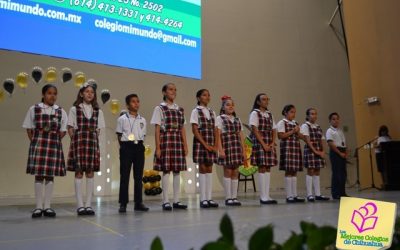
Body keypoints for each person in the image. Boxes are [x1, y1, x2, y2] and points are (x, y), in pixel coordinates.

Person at [23, 84, 68, 218]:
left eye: (55, 93)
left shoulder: (60, 111)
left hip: (53, 146)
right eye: (49, 93)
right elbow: (29, 129)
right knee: (38, 175)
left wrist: (53, 140)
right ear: (43, 94)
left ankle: (47, 206)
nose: (52, 96)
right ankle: (38, 207)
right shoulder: (34, 109)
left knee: (50, 175)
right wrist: (36, 142)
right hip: (39, 146)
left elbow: (63, 130)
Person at [67, 82, 105, 216]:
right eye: (87, 91)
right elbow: (70, 127)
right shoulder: (75, 109)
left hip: (91, 143)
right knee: (78, 173)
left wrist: (93, 138)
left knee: (90, 172)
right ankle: (80, 205)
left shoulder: (98, 111)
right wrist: (75, 141)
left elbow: (98, 129)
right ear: (81, 93)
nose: (90, 94)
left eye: (92, 92)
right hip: (79, 143)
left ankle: (88, 205)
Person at [151, 83, 188, 211]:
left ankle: (176, 200)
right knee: (166, 170)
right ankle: (165, 200)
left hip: (177, 140)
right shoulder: (159, 108)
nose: (173, 92)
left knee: (177, 171)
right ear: (164, 92)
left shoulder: (180, 109)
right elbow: (156, 129)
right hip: (165, 140)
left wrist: (185, 145)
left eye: (175, 89)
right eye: (171, 89)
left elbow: (182, 128)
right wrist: (158, 147)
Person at [116, 94, 149, 213]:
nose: (136, 104)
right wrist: (125, 147)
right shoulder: (122, 119)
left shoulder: (142, 120)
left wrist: (137, 145)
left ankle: (138, 202)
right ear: (128, 105)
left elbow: (143, 135)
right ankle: (123, 203)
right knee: (124, 176)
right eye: (133, 102)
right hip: (126, 147)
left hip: (139, 147)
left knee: (138, 176)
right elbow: (119, 135)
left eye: (138, 101)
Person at [190, 89, 219, 208]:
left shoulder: (212, 112)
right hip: (201, 143)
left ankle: (209, 197)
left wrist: (216, 145)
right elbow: (195, 130)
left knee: (209, 168)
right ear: (198, 98)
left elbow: (216, 130)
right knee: (202, 168)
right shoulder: (195, 111)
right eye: (204, 95)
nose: (207, 97)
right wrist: (205, 144)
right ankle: (203, 199)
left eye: (208, 95)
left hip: (211, 142)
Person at [216, 95, 247, 206]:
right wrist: (220, 150)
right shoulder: (220, 118)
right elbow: (218, 136)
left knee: (235, 172)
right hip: (227, 146)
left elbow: (241, 136)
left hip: (236, 147)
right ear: (223, 107)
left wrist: (244, 151)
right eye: (228, 104)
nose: (231, 106)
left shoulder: (237, 120)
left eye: (232, 104)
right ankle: (228, 197)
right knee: (228, 171)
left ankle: (234, 197)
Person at [249, 93, 278, 205]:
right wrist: (263, 144)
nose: (266, 101)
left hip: (268, 142)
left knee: (268, 167)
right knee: (262, 167)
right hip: (260, 141)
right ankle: (263, 196)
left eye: (267, 99)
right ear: (258, 102)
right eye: (264, 99)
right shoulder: (255, 113)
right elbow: (254, 129)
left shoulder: (269, 114)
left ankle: (267, 195)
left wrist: (271, 142)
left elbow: (274, 128)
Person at [277, 104, 305, 203]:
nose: (293, 114)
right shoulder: (282, 122)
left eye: (294, 112)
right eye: (291, 112)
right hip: (287, 148)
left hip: (295, 148)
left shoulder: (295, 123)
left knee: (294, 171)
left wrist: (301, 134)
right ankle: (289, 196)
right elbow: (280, 136)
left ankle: (295, 195)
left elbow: (299, 136)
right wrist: (293, 131)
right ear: (285, 112)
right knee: (289, 171)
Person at [301, 108, 330, 202]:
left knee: (317, 171)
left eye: (315, 114)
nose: (314, 116)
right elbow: (307, 140)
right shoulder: (305, 126)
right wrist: (315, 151)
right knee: (311, 170)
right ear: (307, 116)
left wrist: (323, 151)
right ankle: (309, 194)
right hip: (310, 150)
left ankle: (318, 194)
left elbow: (322, 140)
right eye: (312, 114)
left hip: (318, 150)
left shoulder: (317, 126)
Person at [326, 112, 348, 199]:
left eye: (337, 119)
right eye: (333, 119)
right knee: (337, 174)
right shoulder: (329, 131)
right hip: (335, 152)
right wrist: (340, 153)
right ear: (330, 121)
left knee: (343, 174)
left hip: (342, 151)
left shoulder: (340, 131)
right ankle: (336, 193)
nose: (336, 121)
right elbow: (331, 144)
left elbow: (344, 143)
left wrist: (345, 152)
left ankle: (342, 192)